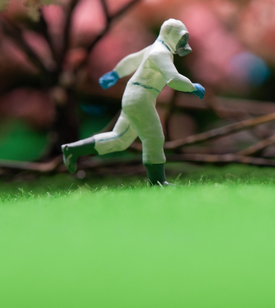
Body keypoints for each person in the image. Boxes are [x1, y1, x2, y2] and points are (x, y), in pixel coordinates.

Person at [61, 18, 205, 185]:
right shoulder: (160, 53)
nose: (183, 42)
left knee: (119, 139)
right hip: (140, 97)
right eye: (181, 38)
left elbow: (132, 60)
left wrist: (115, 74)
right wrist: (192, 86)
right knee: (154, 137)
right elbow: (172, 78)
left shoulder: (155, 48)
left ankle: (72, 150)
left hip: (134, 96)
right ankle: (157, 182)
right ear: (170, 35)